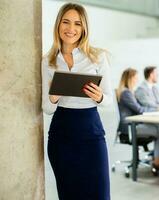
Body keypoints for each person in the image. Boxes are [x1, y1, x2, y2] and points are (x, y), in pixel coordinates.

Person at [42, 3, 111, 199]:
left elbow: (109, 101)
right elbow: (46, 109)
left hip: (91, 133)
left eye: (77, 24)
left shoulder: (97, 57)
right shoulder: (47, 61)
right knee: (68, 195)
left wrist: (99, 97)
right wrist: (54, 96)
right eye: (66, 22)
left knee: (100, 194)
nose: (71, 29)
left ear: (84, 28)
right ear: (58, 25)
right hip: (61, 136)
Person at [116, 68, 159, 174]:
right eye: (135, 78)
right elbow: (140, 109)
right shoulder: (126, 93)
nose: (137, 80)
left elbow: (141, 109)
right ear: (130, 78)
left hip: (135, 124)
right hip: (129, 128)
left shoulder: (130, 92)